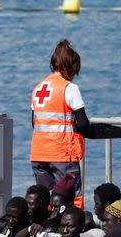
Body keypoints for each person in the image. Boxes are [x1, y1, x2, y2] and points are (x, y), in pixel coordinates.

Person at [30, 39, 91, 206]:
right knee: (70, 200)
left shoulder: (38, 88)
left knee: (45, 201)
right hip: (62, 154)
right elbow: (83, 124)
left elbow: (34, 122)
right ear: (70, 68)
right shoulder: (69, 88)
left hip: (38, 153)